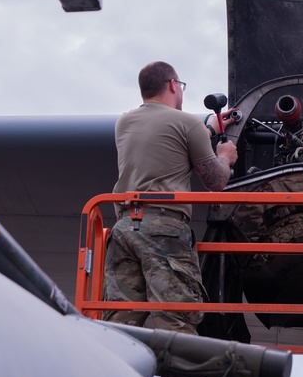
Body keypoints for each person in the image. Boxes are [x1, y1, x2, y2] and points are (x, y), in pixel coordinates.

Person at [102, 61, 238, 335]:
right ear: (173, 85)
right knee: (176, 320)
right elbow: (216, 181)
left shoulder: (124, 121)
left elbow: (167, 143)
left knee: (119, 322)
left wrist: (208, 130)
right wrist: (225, 157)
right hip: (164, 230)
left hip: (125, 227)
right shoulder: (187, 122)